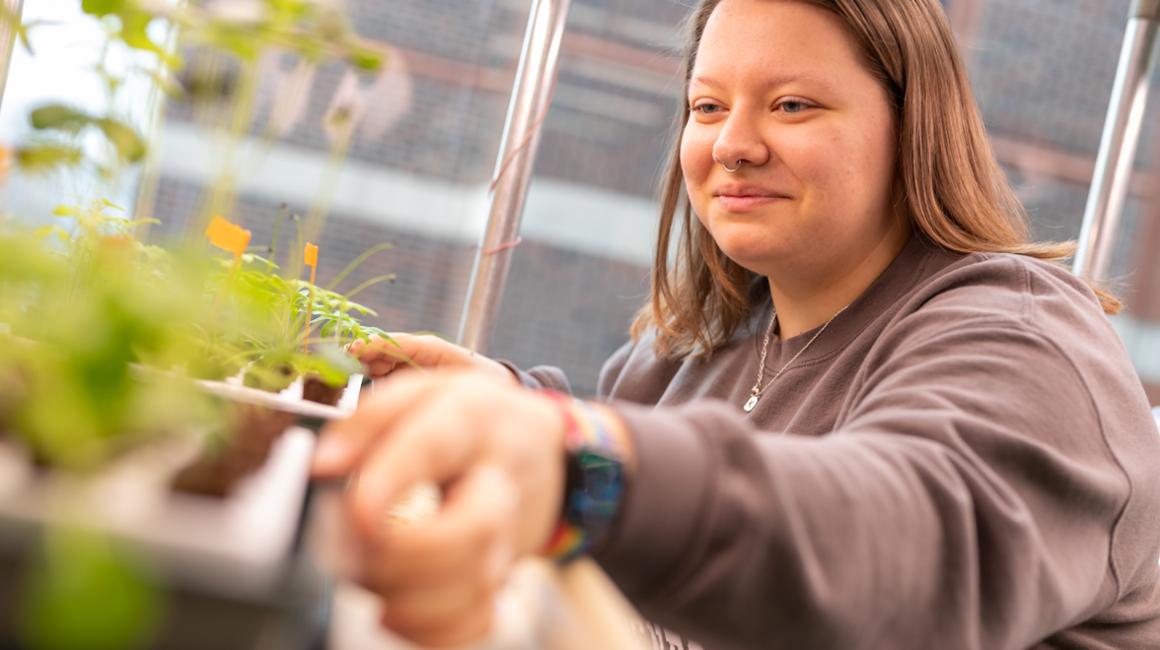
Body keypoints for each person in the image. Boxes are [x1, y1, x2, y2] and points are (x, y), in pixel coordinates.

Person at [310, 0, 1160, 648]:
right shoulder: (699, 344)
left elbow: (906, 551)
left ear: (912, 130)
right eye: (708, 107)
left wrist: (575, 461)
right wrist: (510, 406)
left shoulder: (1025, 338)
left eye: (791, 105)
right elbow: (636, 446)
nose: (731, 144)